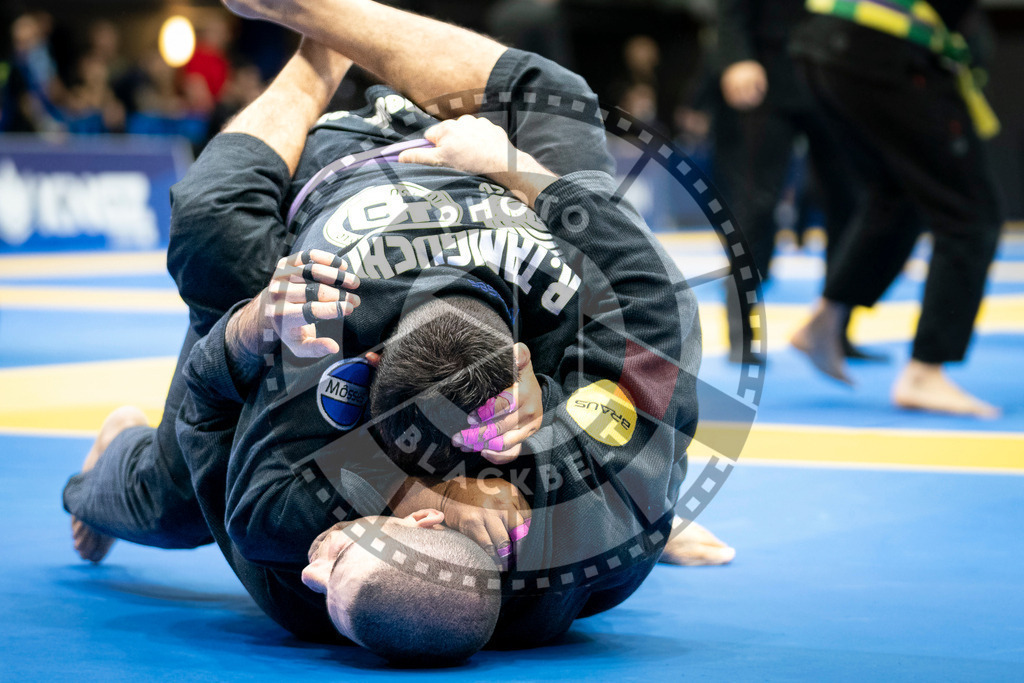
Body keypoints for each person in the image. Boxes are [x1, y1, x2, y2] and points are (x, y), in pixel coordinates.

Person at [63, 0, 715, 661]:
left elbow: (210, 410)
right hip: (491, 164)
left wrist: (255, 324)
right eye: (338, 561)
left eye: (325, 576)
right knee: (562, 100)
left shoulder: (287, 532)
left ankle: (315, 53)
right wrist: (520, 172)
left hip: (324, 171)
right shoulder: (580, 506)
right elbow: (654, 300)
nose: (316, 568)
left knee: (206, 255)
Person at [788, 0, 1002, 417]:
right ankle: (925, 371)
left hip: (828, 43)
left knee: (897, 196)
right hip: (887, 48)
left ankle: (825, 321)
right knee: (969, 213)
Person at [713, 0, 866, 363]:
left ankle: (836, 330)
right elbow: (730, 9)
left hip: (836, 76)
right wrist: (736, 57)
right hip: (768, 74)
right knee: (759, 204)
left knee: (850, 203)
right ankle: (742, 331)